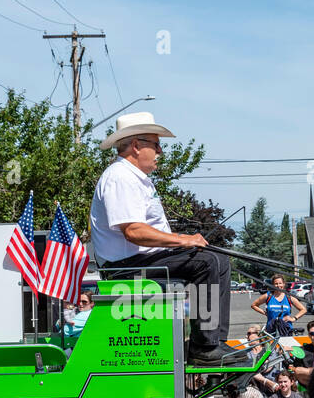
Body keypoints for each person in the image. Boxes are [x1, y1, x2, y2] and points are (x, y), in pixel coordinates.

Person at [90, 112, 233, 366]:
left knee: (219, 260)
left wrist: (183, 241)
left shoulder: (137, 179)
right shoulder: (120, 177)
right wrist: (183, 239)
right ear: (136, 145)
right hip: (125, 268)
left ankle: (215, 342)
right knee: (207, 262)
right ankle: (204, 347)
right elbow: (134, 231)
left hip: (140, 260)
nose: (160, 151)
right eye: (156, 144)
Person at [290, 320, 314, 387]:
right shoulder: (303, 350)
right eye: (312, 334)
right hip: (306, 385)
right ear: (309, 335)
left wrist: (307, 371)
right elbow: (296, 370)